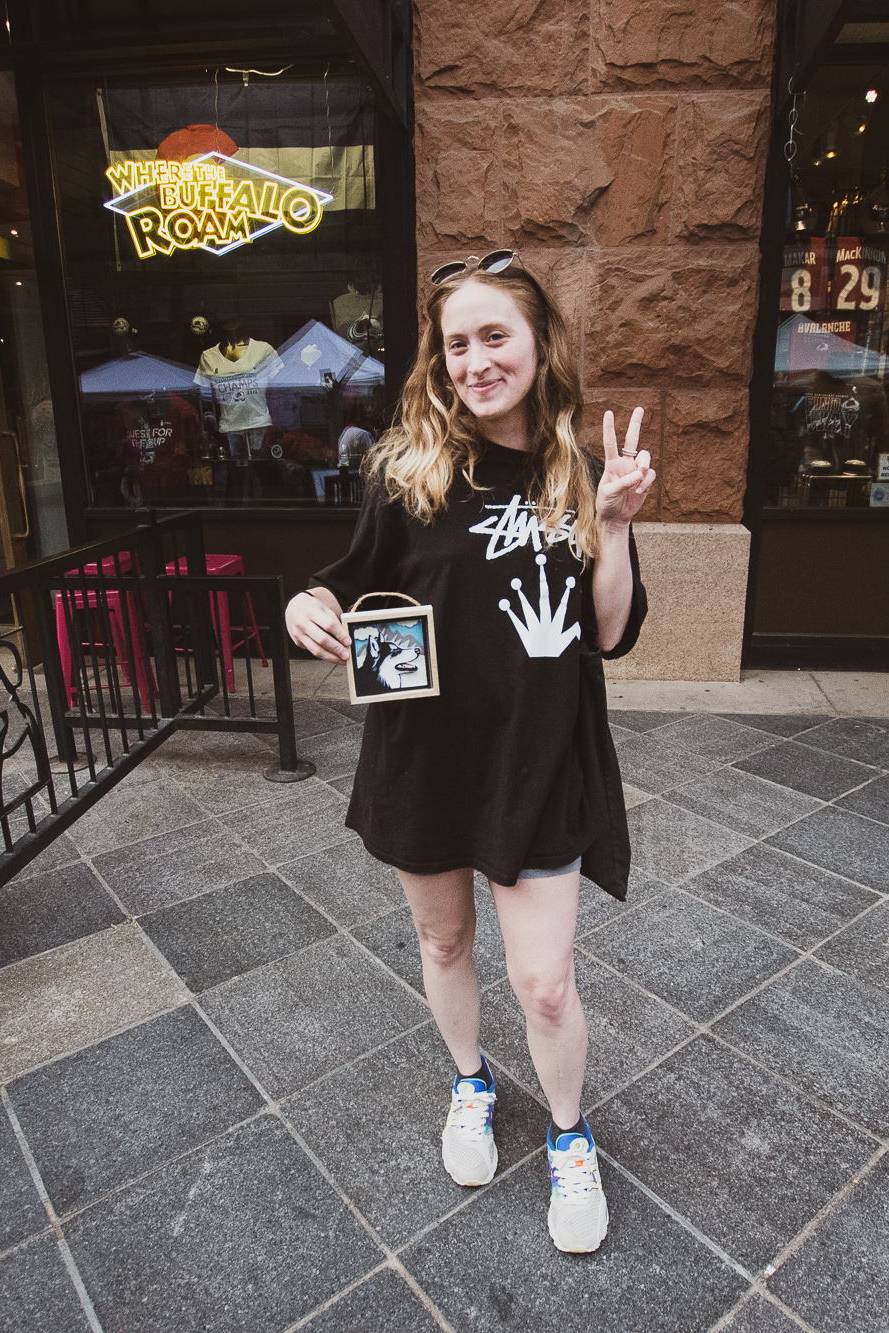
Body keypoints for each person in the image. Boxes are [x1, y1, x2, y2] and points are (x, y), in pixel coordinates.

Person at [286, 250, 656, 1253]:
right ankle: (470, 1082)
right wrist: (302, 606)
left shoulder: (579, 474)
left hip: (539, 760)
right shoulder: (408, 474)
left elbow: (612, 633)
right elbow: (334, 583)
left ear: (539, 344)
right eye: (456, 343)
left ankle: (569, 1138)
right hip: (426, 755)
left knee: (543, 981)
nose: (474, 360)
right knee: (444, 942)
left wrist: (614, 526)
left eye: (494, 336)